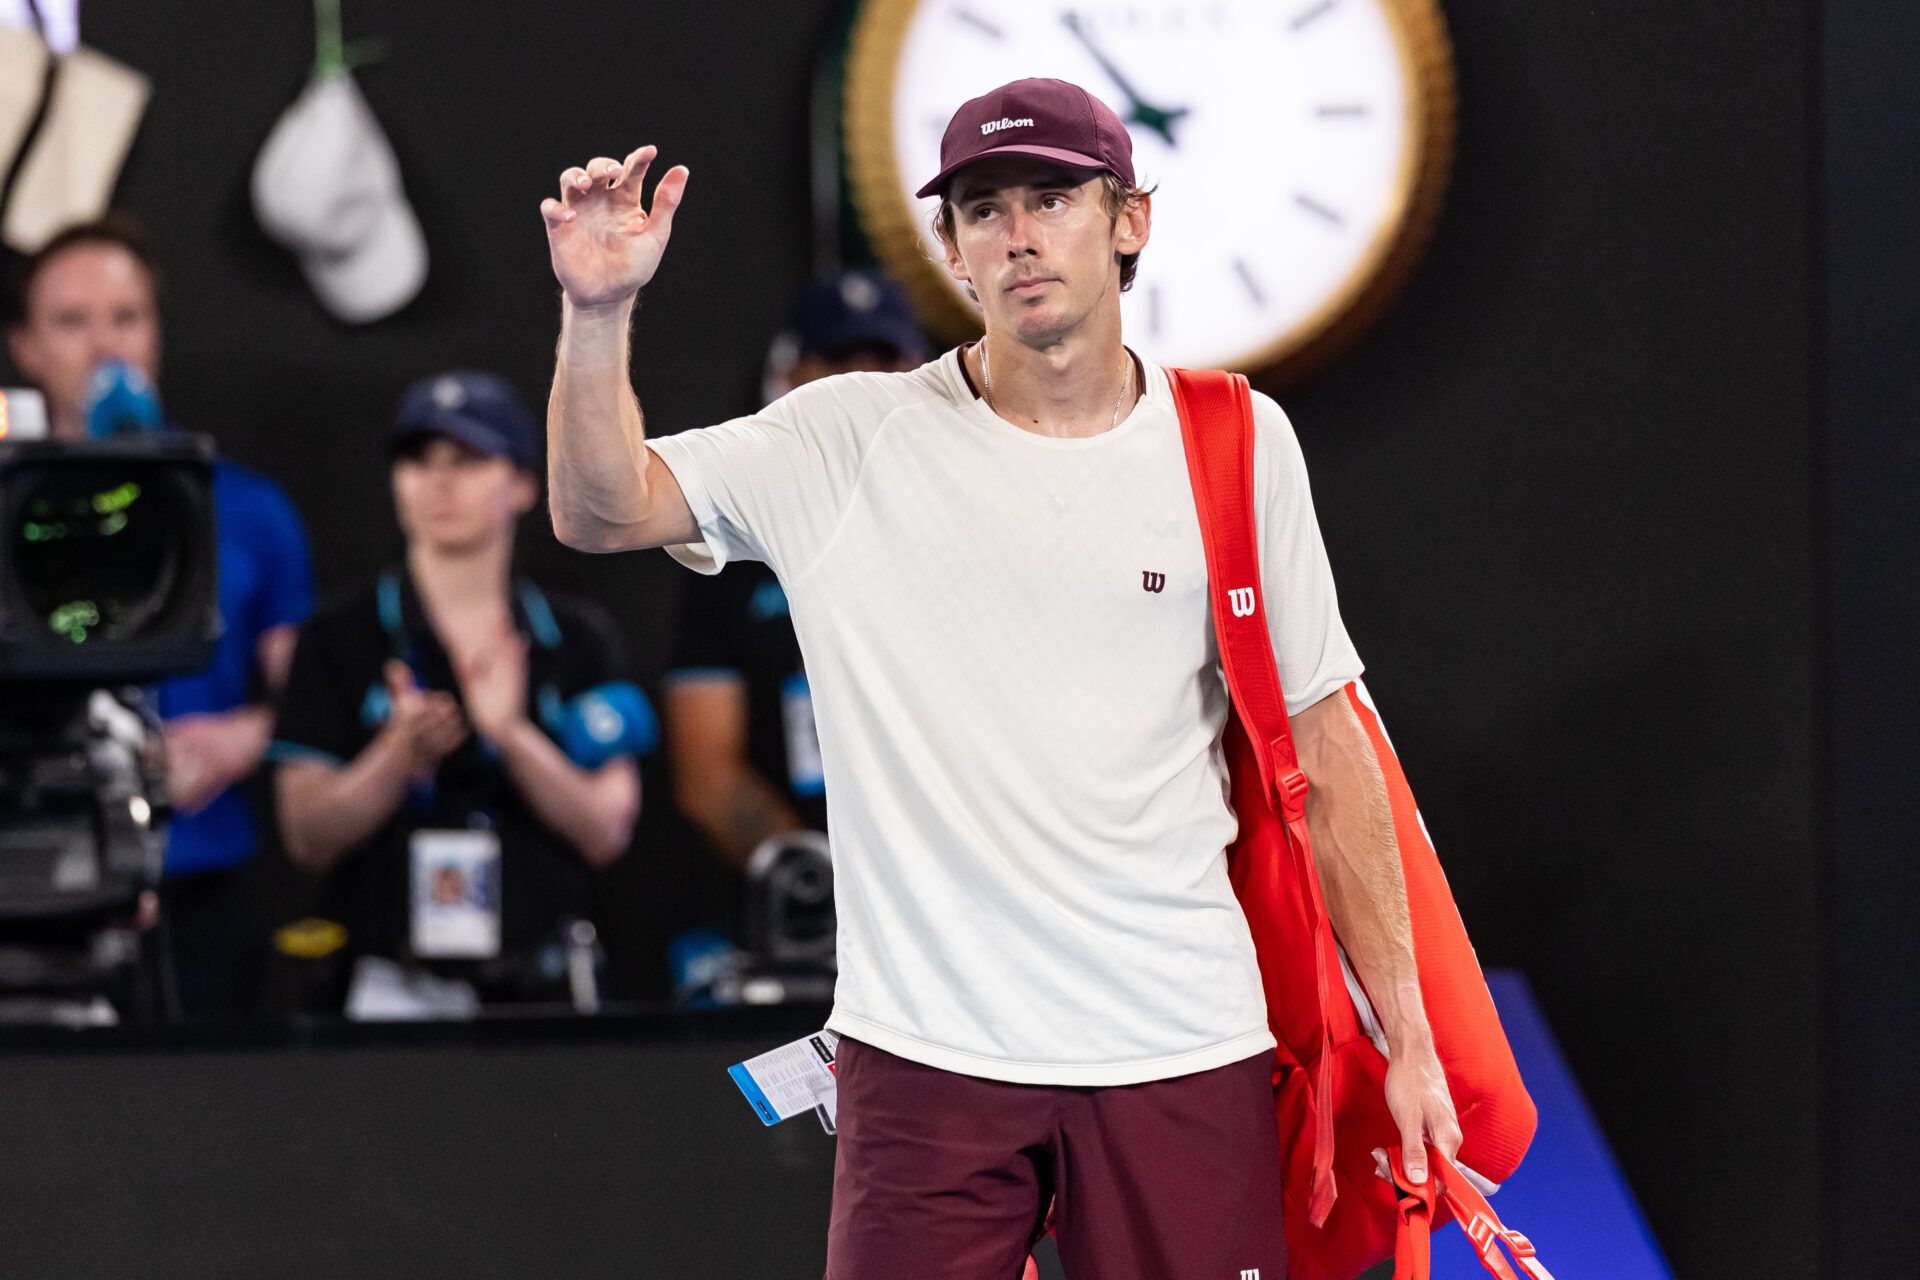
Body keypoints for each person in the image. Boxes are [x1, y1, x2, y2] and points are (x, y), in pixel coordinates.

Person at [539, 77, 1461, 1278]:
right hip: (927, 1060)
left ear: (1130, 219)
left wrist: (1409, 1036)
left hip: (1181, 1045)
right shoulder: (843, 438)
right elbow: (599, 508)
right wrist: (598, 312)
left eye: (1051, 198)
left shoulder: (1238, 440)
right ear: (950, 246)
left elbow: (1328, 751)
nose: (1017, 233)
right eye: (982, 208)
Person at [5, 216, 314, 1019]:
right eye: (71, 322)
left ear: (157, 330)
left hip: (201, 891)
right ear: (25, 347)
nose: (104, 345)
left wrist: (243, 738)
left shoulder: (250, 509)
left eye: (126, 317)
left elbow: (309, 695)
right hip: (32, 885)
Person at [270, 371, 644, 1015]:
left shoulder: (578, 637)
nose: (439, 482)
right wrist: (396, 755)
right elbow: (305, 833)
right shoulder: (338, 635)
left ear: (524, 482)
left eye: (469, 459)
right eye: (418, 460)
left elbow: (606, 828)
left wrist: (512, 735)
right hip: (387, 986)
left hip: (544, 984)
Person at [664, 270, 925, 874]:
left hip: (957, 890)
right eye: (837, 366)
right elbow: (708, 777)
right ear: (787, 378)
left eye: (883, 367)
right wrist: (826, 887)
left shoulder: (967, 524)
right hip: (813, 909)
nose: (861, 392)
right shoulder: (728, 543)